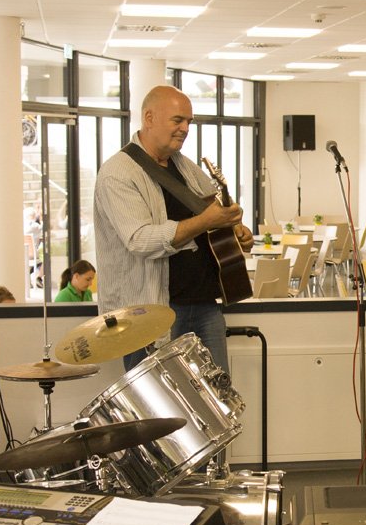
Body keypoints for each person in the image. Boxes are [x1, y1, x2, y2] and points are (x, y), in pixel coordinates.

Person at [94, 85, 254, 372]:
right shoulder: (117, 173)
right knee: (161, 400)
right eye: (177, 120)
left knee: (218, 396)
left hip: (205, 305)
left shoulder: (184, 165)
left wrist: (235, 227)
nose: (185, 129)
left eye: (189, 122)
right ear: (149, 118)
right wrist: (207, 221)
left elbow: (213, 207)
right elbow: (140, 240)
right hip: (151, 314)